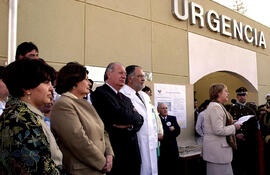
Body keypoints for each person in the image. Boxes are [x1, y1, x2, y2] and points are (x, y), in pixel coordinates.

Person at [0, 58, 65, 174]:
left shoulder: (24, 114)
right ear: (26, 88)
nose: (51, 88)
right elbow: (38, 168)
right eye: (46, 82)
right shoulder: (21, 120)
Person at [50, 62, 114, 175]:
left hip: (98, 168)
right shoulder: (64, 104)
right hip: (82, 170)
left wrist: (109, 154)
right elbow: (77, 140)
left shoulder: (86, 104)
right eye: (85, 79)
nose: (89, 83)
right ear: (74, 83)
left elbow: (102, 132)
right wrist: (102, 162)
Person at [92, 62, 144, 175]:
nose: (124, 76)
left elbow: (140, 120)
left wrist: (129, 125)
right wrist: (132, 115)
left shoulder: (126, 98)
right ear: (109, 74)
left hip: (133, 156)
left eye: (125, 74)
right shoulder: (100, 93)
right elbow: (118, 115)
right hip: (117, 155)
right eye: (120, 73)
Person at [120, 65, 158, 175]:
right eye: (140, 76)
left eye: (144, 76)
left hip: (150, 145)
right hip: (136, 145)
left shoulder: (145, 96)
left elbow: (152, 120)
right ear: (130, 78)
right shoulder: (123, 94)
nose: (143, 79)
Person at [203, 84, 241, 175]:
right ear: (218, 93)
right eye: (226, 91)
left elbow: (219, 125)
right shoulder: (216, 107)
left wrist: (231, 123)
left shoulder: (217, 106)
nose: (228, 93)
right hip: (217, 152)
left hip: (219, 152)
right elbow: (218, 130)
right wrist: (234, 127)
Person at [229, 87, 258, 175]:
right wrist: (237, 134)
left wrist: (245, 135)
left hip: (249, 138)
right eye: (239, 95)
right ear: (237, 96)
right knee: (239, 162)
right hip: (237, 139)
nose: (242, 97)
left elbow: (254, 124)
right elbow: (232, 122)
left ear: (247, 95)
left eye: (243, 95)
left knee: (250, 162)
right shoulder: (233, 108)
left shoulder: (252, 107)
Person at [157, 103, 180, 175]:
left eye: (166, 108)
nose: (165, 110)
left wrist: (164, 136)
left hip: (172, 149)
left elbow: (177, 131)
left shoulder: (172, 118)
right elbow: (158, 133)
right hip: (163, 149)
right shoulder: (157, 119)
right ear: (158, 110)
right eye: (163, 108)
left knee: (174, 169)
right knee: (164, 169)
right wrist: (170, 131)